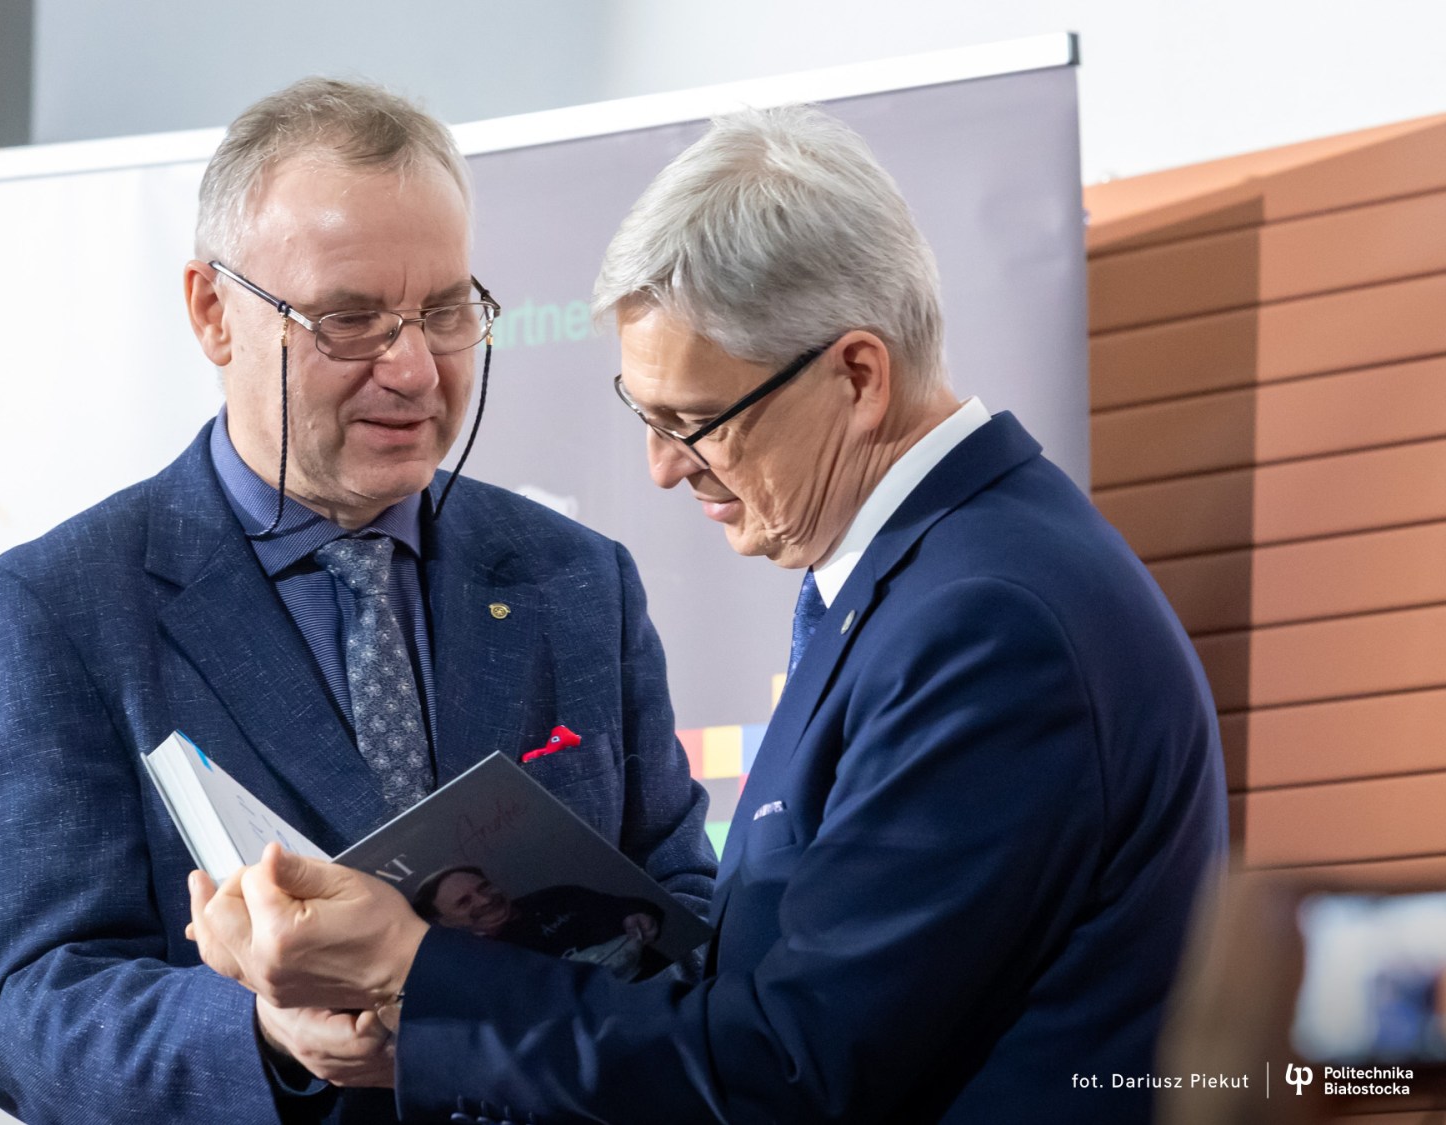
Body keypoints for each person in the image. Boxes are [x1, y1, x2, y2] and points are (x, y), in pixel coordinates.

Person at [190, 105, 1230, 1123]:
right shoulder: (933, 580)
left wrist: (416, 972)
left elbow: (790, 1070)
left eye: (695, 421)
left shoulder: (987, 626)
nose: (661, 466)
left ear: (858, 375)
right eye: (645, 417)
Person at [0, 78, 715, 1125]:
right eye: (349, 320)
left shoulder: (578, 580)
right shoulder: (55, 611)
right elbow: (38, 1015)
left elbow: (684, 904)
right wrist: (270, 1039)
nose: (415, 369)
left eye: (446, 313)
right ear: (213, 313)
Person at [413, 865, 665, 976]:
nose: (485, 900)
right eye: (464, 902)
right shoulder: (472, 965)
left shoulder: (557, 897)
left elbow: (625, 907)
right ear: (444, 922)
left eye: (484, 887)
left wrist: (640, 914)